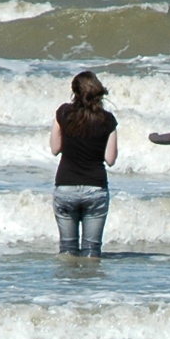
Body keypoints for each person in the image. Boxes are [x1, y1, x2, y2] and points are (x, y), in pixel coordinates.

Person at [49, 70, 118, 257]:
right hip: (95, 188)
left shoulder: (63, 113)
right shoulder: (107, 119)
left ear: (75, 92)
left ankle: (68, 285)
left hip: (66, 186)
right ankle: (91, 285)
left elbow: (55, 149)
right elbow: (110, 159)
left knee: (67, 250)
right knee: (92, 251)